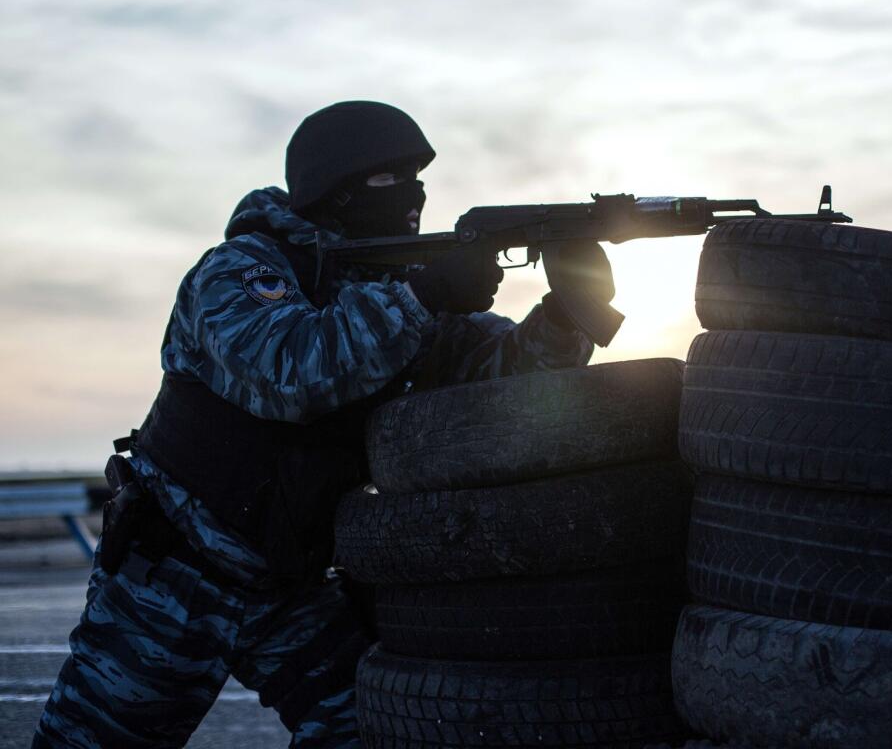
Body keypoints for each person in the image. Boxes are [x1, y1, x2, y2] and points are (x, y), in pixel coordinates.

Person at [33, 101, 609, 747]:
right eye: (391, 180)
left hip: (291, 587)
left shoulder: (396, 291)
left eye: (419, 177)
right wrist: (424, 295)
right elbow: (291, 373)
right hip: (175, 576)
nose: (414, 193)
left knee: (385, 728)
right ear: (334, 190)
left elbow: (496, 385)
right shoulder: (242, 271)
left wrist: (565, 316)